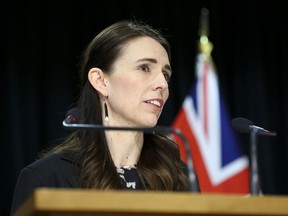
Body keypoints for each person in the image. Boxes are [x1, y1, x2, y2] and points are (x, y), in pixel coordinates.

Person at [10, 19, 193, 215]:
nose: (163, 84)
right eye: (144, 68)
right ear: (100, 81)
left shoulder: (178, 173)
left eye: (165, 74)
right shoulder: (47, 178)